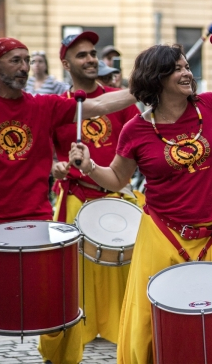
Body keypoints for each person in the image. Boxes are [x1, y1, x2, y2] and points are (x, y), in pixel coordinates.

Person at [69, 42, 212, 363]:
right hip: (162, 234)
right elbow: (118, 179)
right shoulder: (136, 129)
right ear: (156, 77)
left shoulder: (210, 105)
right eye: (177, 68)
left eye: (187, 66)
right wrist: (88, 166)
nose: (187, 72)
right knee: (150, 321)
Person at [0, 36, 137, 363]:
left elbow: (98, 106)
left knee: (60, 306)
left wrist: (146, 85)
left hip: (35, 220)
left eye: (27, 60)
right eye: (15, 60)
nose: (25, 67)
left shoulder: (45, 106)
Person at [42, 31, 141, 363]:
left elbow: (139, 147)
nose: (90, 59)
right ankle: (72, 339)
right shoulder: (56, 108)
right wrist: (56, 167)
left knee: (126, 276)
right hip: (74, 198)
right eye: (81, 55)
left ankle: (126, 338)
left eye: (93, 53)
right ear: (65, 62)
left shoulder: (119, 99)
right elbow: (44, 157)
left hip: (118, 198)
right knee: (71, 278)